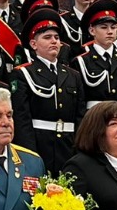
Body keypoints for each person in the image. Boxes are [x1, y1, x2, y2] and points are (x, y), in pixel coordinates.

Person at [10, 9, 84, 173]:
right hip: (39, 145)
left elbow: (79, 116)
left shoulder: (73, 75)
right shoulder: (23, 73)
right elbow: (22, 118)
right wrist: (29, 154)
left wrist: (78, 150)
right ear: (33, 44)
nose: (54, 42)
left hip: (68, 147)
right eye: (47, 37)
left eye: (57, 38)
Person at [73, 0, 117, 108]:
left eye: (113, 27)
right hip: (94, 118)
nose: (110, 32)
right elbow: (79, 100)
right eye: (104, 27)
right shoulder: (82, 61)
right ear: (92, 30)